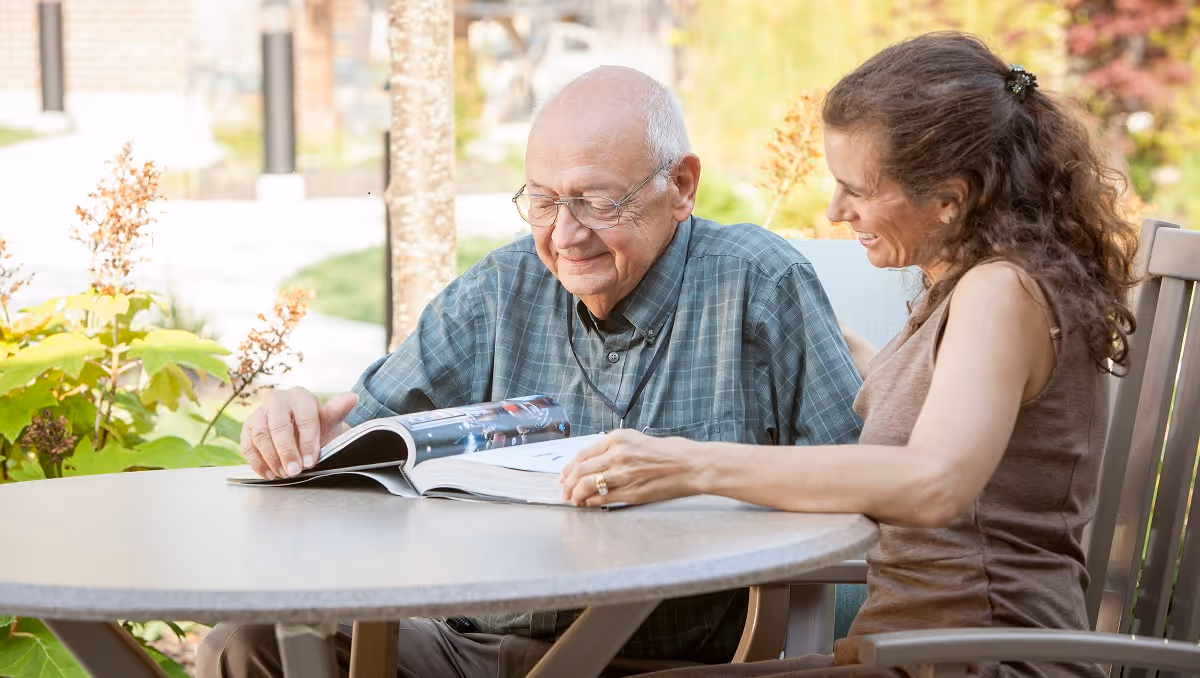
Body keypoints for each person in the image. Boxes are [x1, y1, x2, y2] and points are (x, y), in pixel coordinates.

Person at [196, 66, 864, 678]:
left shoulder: (757, 284)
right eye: (543, 202)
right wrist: (293, 415)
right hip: (472, 648)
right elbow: (358, 443)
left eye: (597, 203)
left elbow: (860, 478)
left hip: (662, 661)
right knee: (246, 644)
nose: (565, 236)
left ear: (681, 186)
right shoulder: (500, 290)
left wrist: (703, 472)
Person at [560, 33, 1139, 678]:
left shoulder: (1001, 293)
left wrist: (693, 464)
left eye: (855, 190)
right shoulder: (968, 287)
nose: (836, 212)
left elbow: (932, 482)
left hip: (980, 660)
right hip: (916, 655)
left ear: (950, 199)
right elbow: (930, 403)